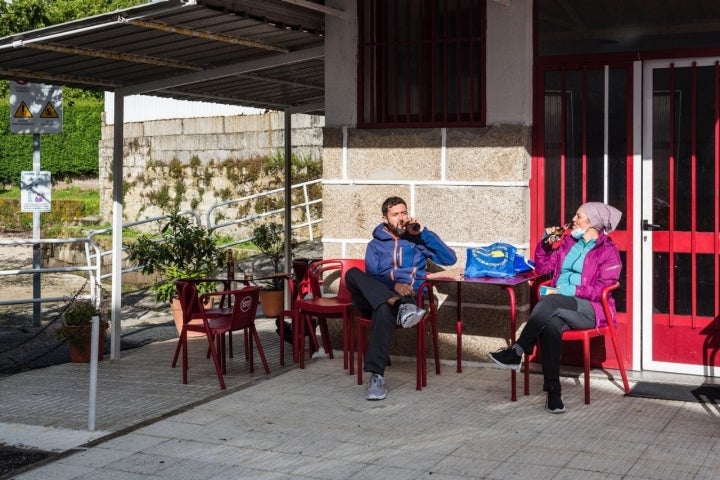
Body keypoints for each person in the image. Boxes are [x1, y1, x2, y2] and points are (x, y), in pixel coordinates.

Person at [488, 202, 623, 413]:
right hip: (561, 305)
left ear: (592, 222)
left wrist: (566, 290)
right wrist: (544, 244)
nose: (574, 219)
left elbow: (602, 289)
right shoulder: (569, 243)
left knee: (549, 302)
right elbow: (543, 268)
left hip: (591, 309)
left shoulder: (608, 252)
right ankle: (553, 392)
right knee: (551, 324)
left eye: (579, 216)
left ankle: (518, 350)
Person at [346, 196, 457, 401]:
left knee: (383, 310)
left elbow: (450, 259)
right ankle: (395, 303)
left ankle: (376, 376)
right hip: (381, 295)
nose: (401, 218)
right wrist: (393, 286)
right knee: (353, 274)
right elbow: (372, 277)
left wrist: (423, 233)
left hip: (409, 299)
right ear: (385, 218)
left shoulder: (416, 241)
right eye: (395, 214)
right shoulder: (375, 245)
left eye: (403, 213)